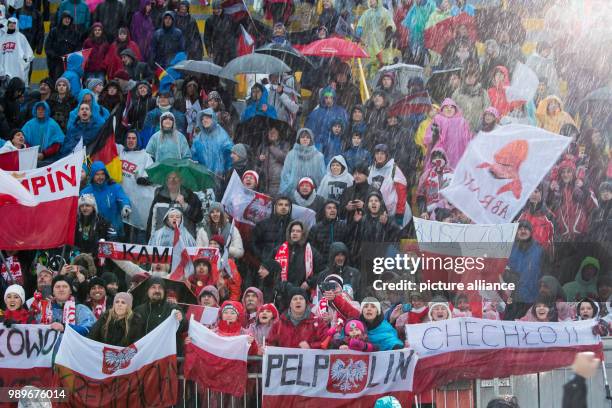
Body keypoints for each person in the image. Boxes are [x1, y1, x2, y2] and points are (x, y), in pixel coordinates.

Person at [81, 161, 132, 238]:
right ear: (92, 175)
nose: (100, 177)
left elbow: (123, 198)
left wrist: (126, 206)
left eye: (102, 174)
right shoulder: (85, 192)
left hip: (114, 231)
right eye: (97, 174)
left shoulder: (114, 187)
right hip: (93, 232)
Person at [147, 171, 202, 237]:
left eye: (176, 178)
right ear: (166, 181)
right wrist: (150, 240)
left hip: (184, 242)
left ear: (181, 181)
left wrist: (184, 205)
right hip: (162, 241)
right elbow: (151, 221)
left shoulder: (190, 196)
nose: (173, 180)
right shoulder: (159, 198)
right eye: (170, 178)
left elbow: (199, 217)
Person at [273, 220, 323, 294]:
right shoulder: (279, 250)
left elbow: (321, 272)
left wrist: (309, 283)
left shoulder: (312, 251)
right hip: (282, 293)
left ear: (303, 234)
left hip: (303, 293)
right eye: (293, 231)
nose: (295, 233)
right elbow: (270, 271)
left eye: (298, 231)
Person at [424, 98, 472, 168]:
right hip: (441, 151)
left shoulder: (461, 121)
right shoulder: (438, 119)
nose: (449, 109)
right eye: (446, 107)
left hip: (458, 151)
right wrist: (434, 136)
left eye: (451, 107)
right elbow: (429, 136)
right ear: (442, 109)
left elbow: (468, 137)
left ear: (455, 109)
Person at [279, 128, 326, 196]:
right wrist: (289, 188)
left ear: (311, 140)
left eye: (307, 137)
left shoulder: (319, 156)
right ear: (298, 139)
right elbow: (285, 174)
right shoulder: (291, 154)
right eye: (302, 137)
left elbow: (321, 176)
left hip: (311, 194)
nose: (305, 139)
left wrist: (317, 192)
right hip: (292, 193)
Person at [368, 144, 408, 221]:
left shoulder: (393, 169)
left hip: (392, 212)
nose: (379, 156)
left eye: (382, 154)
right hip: (375, 211)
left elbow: (401, 192)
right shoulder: (371, 169)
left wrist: (400, 212)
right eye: (377, 153)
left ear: (386, 155)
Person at [355, 0, 395, 77]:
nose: (370, 1)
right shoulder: (366, 13)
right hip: (369, 45)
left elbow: (390, 25)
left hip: (382, 44)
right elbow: (360, 25)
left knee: (382, 69)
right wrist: (358, 33)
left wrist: (388, 37)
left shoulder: (384, 12)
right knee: (370, 67)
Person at [508, 220, 543, 304]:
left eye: (526, 228)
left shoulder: (539, 250)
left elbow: (544, 272)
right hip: (512, 296)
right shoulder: (510, 249)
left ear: (531, 232)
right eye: (520, 229)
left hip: (532, 296)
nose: (523, 231)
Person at [44, 12, 82, 82]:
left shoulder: (75, 33)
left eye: (69, 19)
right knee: (57, 82)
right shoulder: (54, 31)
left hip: (70, 63)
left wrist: (72, 56)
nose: (67, 20)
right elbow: (48, 47)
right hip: (56, 63)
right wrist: (55, 56)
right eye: (65, 18)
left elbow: (79, 47)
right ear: (61, 19)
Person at [252, 196, 292, 262]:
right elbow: (254, 243)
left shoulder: (294, 225)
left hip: (287, 264)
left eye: (286, 205)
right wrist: (262, 257)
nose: (283, 207)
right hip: (266, 263)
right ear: (275, 206)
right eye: (280, 204)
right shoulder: (263, 224)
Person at [256, 125, 290, 196]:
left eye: (274, 132)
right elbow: (256, 163)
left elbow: (285, 159)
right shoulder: (262, 146)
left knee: (275, 203)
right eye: (270, 132)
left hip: (277, 182)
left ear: (279, 134)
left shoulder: (284, 145)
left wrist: (272, 147)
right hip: (263, 182)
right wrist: (259, 159)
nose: (271, 134)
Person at [0, 18, 34, 86]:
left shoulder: (21, 37)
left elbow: (29, 53)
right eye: (10, 23)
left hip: (17, 68)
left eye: (14, 23)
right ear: (7, 24)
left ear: (17, 25)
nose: (12, 24)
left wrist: (25, 62)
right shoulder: (2, 37)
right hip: (4, 68)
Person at [204, 0, 237, 67]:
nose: (217, 10)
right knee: (218, 68)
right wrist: (209, 50)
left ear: (222, 8)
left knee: (230, 68)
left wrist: (234, 46)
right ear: (213, 9)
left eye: (219, 8)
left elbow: (235, 31)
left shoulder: (229, 18)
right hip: (217, 49)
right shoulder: (209, 20)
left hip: (230, 48)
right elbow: (207, 36)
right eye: (215, 8)